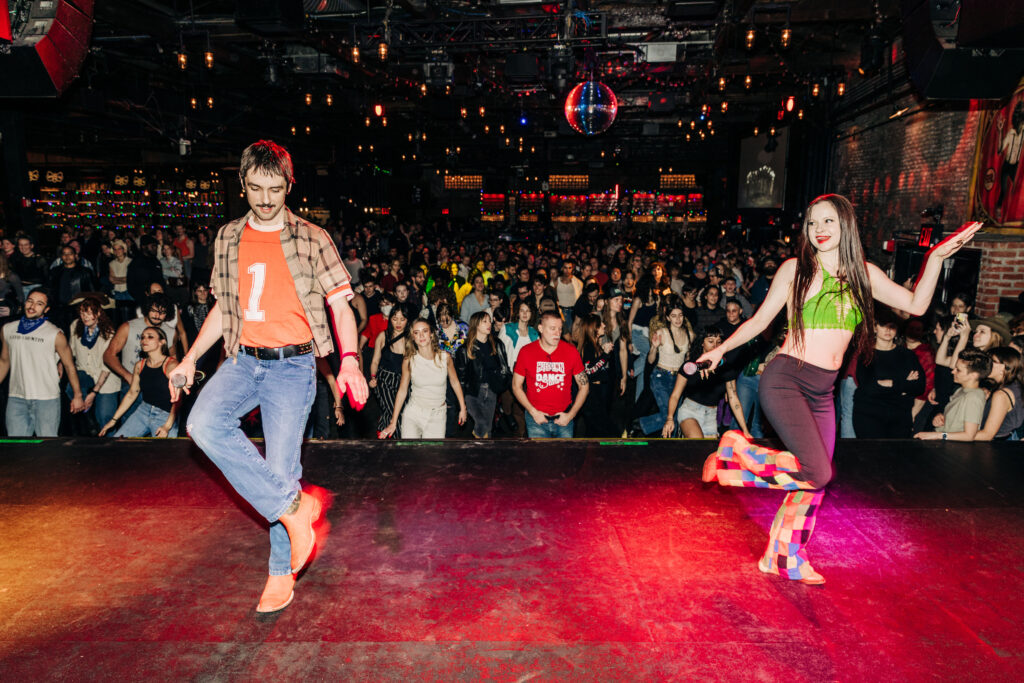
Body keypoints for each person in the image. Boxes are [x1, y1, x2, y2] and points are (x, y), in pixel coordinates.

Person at [695, 194, 980, 585]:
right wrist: (721, 350)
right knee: (817, 471)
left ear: (845, 225)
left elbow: (915, 305)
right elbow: (760, 322)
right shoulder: (795, 270)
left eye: (827, 222)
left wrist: (936, 258)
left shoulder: (865, 274)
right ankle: (736, 456)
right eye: (812, 224)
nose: (819, 231)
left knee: (815, 482)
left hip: (822, 392)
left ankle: (784, 556)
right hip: (786, 380)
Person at [167, 140, 368, 614]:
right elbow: (224, 307)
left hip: (294, 365)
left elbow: (341, 304)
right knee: (202, 424)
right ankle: (297, 508)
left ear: (288, 186)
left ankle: (280, 573)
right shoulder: (227, 237)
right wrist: (192, 357)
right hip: (242, 358)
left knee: (281, 471)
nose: (264, 198)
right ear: (242, 185)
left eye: (274, 189)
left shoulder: (312, 237)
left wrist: (351, 360)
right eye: (255, 188)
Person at [0, 288, 86, 435]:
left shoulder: (55, 334)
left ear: (46, 309)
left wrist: (77, 395)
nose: (32, 307)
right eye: (30, 301)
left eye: (39, 304)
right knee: (17, 450)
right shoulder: (8, 329)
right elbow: (4, 361)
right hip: (16, 399)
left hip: (46, 399)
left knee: (48, 451)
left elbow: (69, 365)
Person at [379, 319, 466, 439]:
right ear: (413, 337)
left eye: (424, 331)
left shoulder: (445, 357)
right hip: (414, 414)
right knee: (410, 454)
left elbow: (455, 382)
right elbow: (402, 390)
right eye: (416, 332)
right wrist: (393, 422)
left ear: (431, 334)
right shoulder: (409, 360)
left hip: (437, 415)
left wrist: (463, 408)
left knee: (431, 456)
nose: (421, 336)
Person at [512, 309, 589, 438]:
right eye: (552, 329)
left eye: (559, 329)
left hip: (564, 419)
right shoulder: (526, 352)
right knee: (539, 457)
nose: (558, 333)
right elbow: (516, 386)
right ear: (541, 328)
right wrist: (533, 412)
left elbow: (584, 386)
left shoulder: (570, 351)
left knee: (564, 457)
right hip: (536, 419)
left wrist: (571, 415)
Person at [661, 325, 748, 439]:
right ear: (702, 343)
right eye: (711, 341)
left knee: (709, 453)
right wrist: (670, 419)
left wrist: (745, 430)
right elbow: (675, 395)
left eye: (719, 342)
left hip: (711, 416)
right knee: (698, 443)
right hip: (690, 412)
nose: (715, 346)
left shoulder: (726, 369)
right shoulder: (691, 366)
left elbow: (734, 400)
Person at [851, 309, 925, 438]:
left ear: (897, 330)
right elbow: (869, 388)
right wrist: (904, 385)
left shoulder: (907, 355)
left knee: (898, 457)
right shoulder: (866, 355)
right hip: (869, 415)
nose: (888, 330)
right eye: (883, 325)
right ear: (875, 328)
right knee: (872, 456)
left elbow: (919, 386)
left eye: (892, 326)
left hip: (900, 417)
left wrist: (890, 383)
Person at [99, 326, 179, 438]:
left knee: (167, 453)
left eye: (150, 337)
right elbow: (132, 393)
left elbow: (178, 399)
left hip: (165, 415)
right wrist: (114, 420)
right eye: (142, 337)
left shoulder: (171, 365)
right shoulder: (140, 365)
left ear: (162, 342)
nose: (144, 340)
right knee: (117, 445)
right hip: (143, 410)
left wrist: (167, 426)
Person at [637, 300, 692, 435]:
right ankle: (637, 424)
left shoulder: (689, 334)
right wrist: (654, 347)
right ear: (668, 317)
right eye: (673, 316)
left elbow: (687, 359)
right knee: (670, 415)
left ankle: (667, 444)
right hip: (661, 377)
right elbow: (650, 360)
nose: (678, 319)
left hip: (679, 379)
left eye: (680, 315)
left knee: (674, 416)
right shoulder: (662, 332)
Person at [68, 295, 120, 431]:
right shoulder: (75, 325)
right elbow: (70, 351)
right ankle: (87, 414)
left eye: (89, 313)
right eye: (82, 313)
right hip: (85, 374)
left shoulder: (109, 333)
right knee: (70, 387)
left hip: (105, 378)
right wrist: (61, 364)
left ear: (97, 313)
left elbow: (107, 366)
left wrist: (93, 393)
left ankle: (110, 445)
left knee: (105, 417)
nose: (85, 317)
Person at [914, 349, 990, 441]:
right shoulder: (961, 390)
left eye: (958, 370)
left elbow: (969, 436)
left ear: (973, 375)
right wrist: (942, 417)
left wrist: (937, 435)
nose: (953, 371)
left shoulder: (973, 397)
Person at [454, 311, 509, 438]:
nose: (489, 324)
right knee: (482, 423)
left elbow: (503, 367)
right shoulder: (465, 349)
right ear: (476, 325)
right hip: (472, 392)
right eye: (484, 321)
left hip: (491, 391)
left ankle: (484, 454)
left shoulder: (497, 344)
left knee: (487, 429)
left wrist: (501, 382)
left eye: (489, 321)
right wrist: (461, 402)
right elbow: (460, 378)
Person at [369, 302, 412, 434]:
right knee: (393, 411)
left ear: (407, 320)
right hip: (385, 380)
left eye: (402, 319)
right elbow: (375, 361)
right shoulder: (383, 336)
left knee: (404, 412)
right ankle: (397, 442)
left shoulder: (411, 338)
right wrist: (373, 377)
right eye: (395, 319)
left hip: (405, 381)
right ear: (390, 319)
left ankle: (383, 434)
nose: (398, 323)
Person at [974, 346, 1023, 441]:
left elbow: (987, 435)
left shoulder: (1001, 395)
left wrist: (950, 434)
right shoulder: (1015, 385)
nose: (986, 365)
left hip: (996, 446)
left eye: (991, 361)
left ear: (1004, 367)